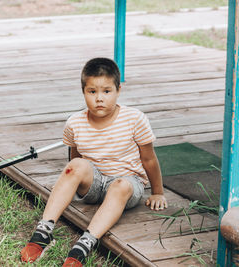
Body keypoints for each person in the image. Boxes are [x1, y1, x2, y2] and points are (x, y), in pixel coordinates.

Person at [20, 57, 168, 266]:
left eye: (106, 91)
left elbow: (149, 158)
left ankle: (85, 243)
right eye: (92, 91)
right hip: (95, 184)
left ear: (118, 90)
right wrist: (70, 182)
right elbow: (75, 158)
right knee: (75, 167)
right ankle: (43, 231)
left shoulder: (135, 119)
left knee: (121, 185)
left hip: (127, 184)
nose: (99, 98)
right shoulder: (75, 122)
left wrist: (158, 192)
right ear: (83, 91)